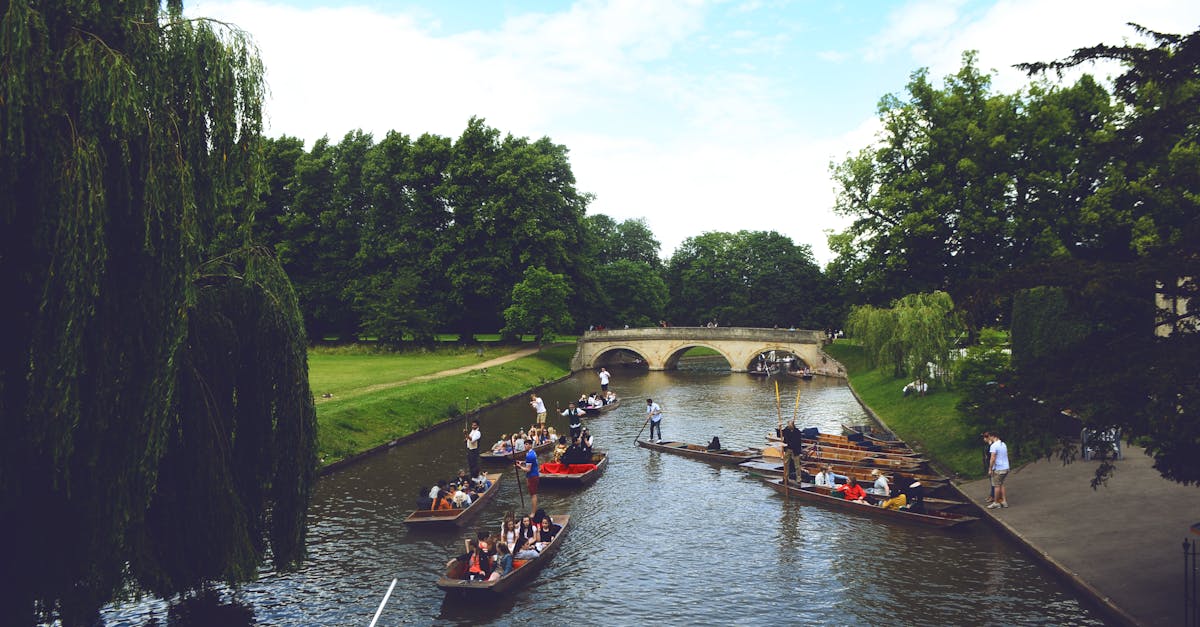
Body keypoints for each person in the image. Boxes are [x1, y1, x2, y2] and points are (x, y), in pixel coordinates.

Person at [986, 432, 1010, 509]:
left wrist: (990, 469)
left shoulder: (994, 446)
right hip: (1006, 467)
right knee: (1001, 484)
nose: (989, 438)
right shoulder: (1003, 444)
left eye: (990, 437)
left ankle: (996, 502)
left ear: (993, 436)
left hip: (998, 469)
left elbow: (992, 458)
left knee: (996, 486)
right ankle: (1004, 501)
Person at [516, 446, 540, 516]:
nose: (525, 446)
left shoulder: (529, 455)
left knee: (533, 495)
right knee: (532, 494)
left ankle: (533, 513)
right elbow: (530, 462)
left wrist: (520, 467)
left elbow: (528, 469)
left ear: (530, 445)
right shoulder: (532, 452)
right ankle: (534, 509)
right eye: (524, 444)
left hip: (532, 476)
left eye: (526, 444)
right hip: (534, 474)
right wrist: (522, 462)